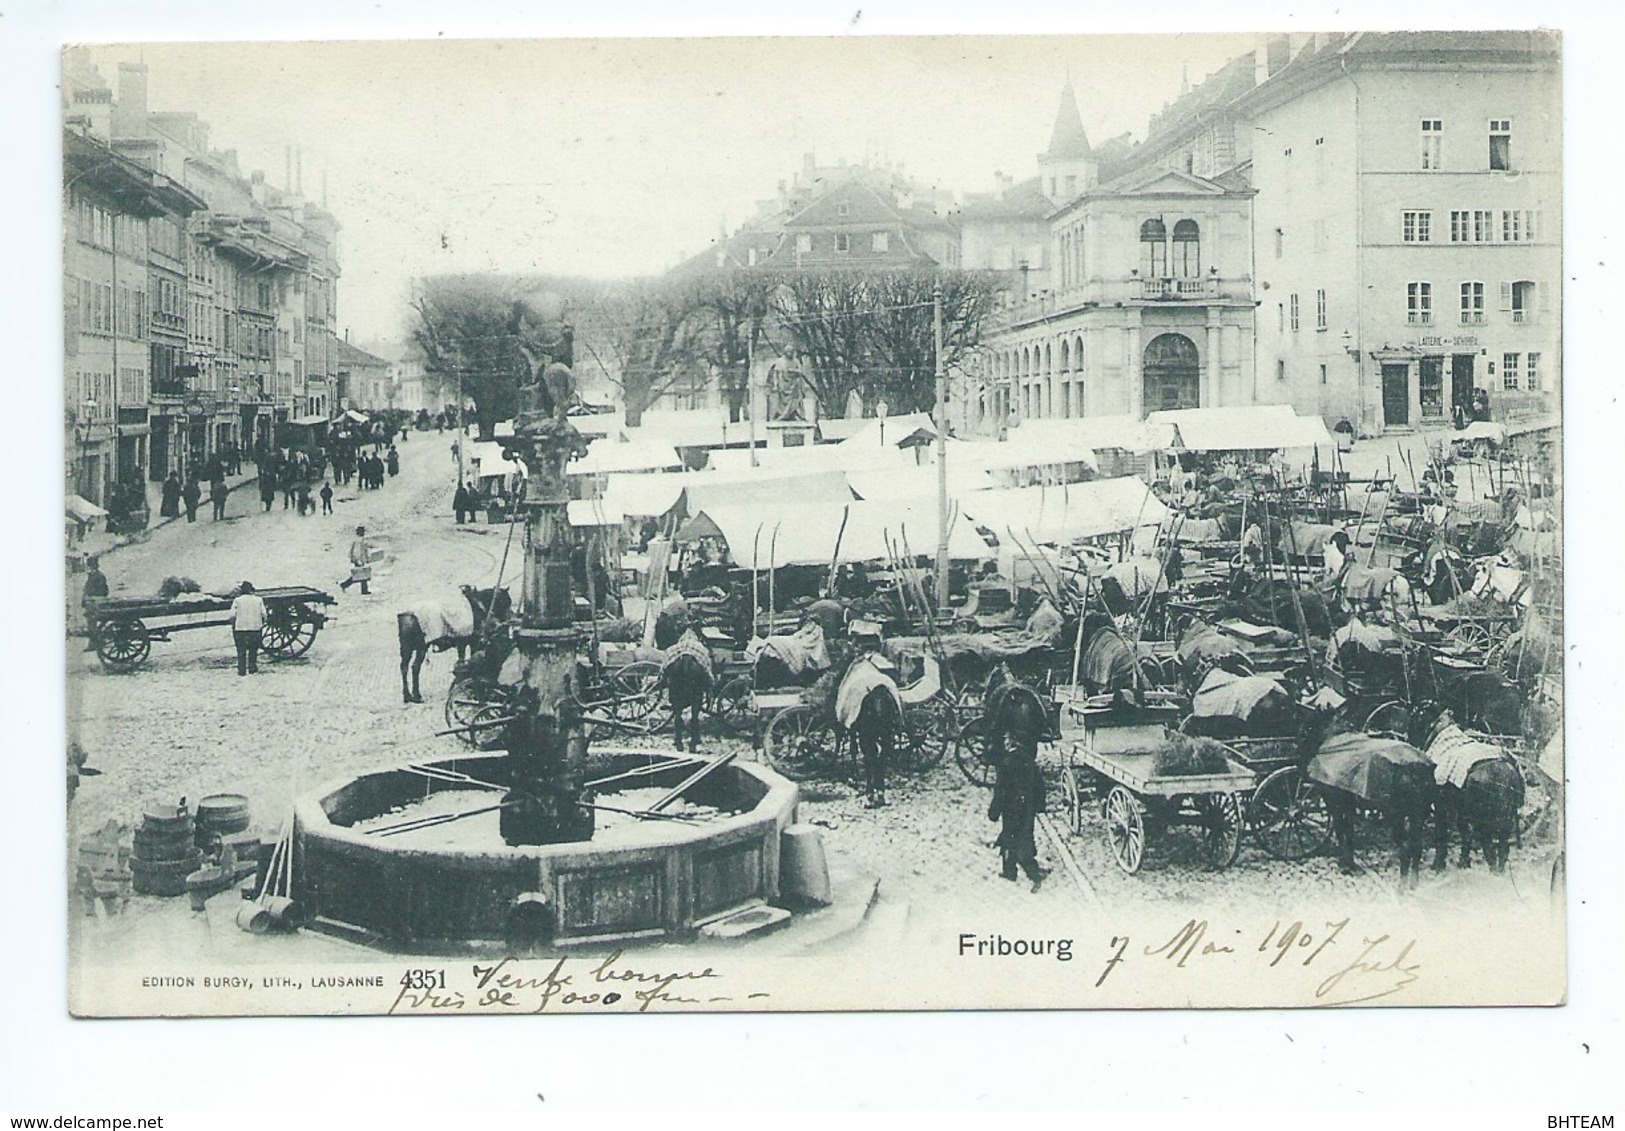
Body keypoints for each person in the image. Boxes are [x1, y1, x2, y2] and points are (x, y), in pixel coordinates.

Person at [987, 729, 1046, 891]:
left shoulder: (1005, 763)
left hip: (1011, 808)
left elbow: (1000, 790)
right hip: (1027, 807)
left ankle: (1033, 876)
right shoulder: (1027, 760)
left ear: (1011, 743)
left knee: (1012, 840)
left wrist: (994, 812)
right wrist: (1040, 805)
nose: (1005, 742)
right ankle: (1009, 871)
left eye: (1007, 740)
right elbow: (1039, 784)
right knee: (1021, 837)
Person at [230, 581, 267, 676]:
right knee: (253, 649)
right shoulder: (258, 600)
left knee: (241, 650)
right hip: (255, 628)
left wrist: (234, 625)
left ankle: (241, 670)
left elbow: (232, 615)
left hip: (240, 629)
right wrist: (260, 623)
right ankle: (252, 668)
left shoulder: (237, 600)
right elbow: (264, 614)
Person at [340, 525, 374, 595]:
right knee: (360, 575)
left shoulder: (360, 540)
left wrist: (366, 558)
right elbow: (357, 551)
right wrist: (357, 560)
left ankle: (363, 589)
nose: (363, 533)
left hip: (360, 559)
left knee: (361, 574)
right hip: (359, 560)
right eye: (362, 531)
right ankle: (345, 585)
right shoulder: (358, 540)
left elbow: (364, 551)